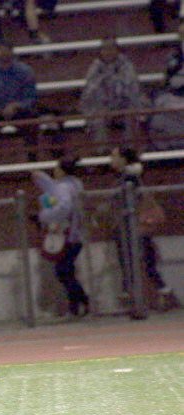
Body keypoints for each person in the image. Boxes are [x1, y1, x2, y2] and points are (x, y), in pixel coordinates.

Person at [109, 146, 180, 311]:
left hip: (134, 226)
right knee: (142, 263)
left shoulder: (130, 177)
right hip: (129, 226)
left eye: (114, 156)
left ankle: (139, 298)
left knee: (138, 262)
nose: (111, 160)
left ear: (124, 159)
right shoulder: (126, 176)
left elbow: (130, 199)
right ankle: (150, 295)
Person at [32, 156, 90, 317]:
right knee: (67, 271)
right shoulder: (75, 185)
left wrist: (44, 216)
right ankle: (76, 305)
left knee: (63, 271)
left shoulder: (64, 187)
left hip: (69, 234)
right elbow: (52, 191)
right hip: (75, 233)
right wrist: (41, 179)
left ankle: (82, 301)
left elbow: (63, 206)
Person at [0, 40, 38, 164]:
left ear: (12, 52)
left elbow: (30, 97)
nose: (4, 54)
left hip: (19, 112)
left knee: (32, 121)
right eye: (1, 51)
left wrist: (16, 106)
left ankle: (33, 161)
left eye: (6, 51)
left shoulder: (26, 71)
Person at [79, 37, 142, 151]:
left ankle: (129, 152)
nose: (108, 52)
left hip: (124, 105)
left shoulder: (127, 66)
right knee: (98, 117)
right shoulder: (95, 67)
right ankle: (101, 154)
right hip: (102, 107)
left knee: (131, 114)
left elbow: (132, 89)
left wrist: (120, 107)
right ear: (100, 51)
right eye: (105, 49)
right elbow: (89, 93)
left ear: (117, 50)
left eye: (111, 48)